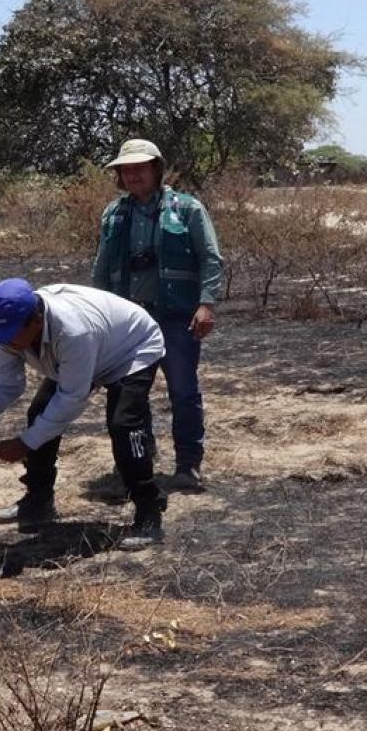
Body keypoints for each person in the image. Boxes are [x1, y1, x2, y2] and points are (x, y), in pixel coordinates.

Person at [0, 279, 168, 547]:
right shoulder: (7, 329)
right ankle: (38, 502)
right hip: (88, 350)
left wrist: (26, 443)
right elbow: (5, 384)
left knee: (124, 424)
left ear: (36, 320)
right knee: (39, 411)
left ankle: (148, 512)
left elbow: (72, 398)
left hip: (131, 347)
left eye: (12, 334)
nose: (6, 342)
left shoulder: (73, 331)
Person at [91, 139, 224, 493]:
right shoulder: (114, 214)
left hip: (176, 317)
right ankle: (136, 465)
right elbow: (101, 268)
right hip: (128, 323)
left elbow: (210, 258)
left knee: (183, 391)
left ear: (156, 169)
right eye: (126, 169)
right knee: (128, 396)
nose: (132, 175)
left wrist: (206, 304)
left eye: (140, 168)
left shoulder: (187, 208)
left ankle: (188, 466)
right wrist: (100, 316)